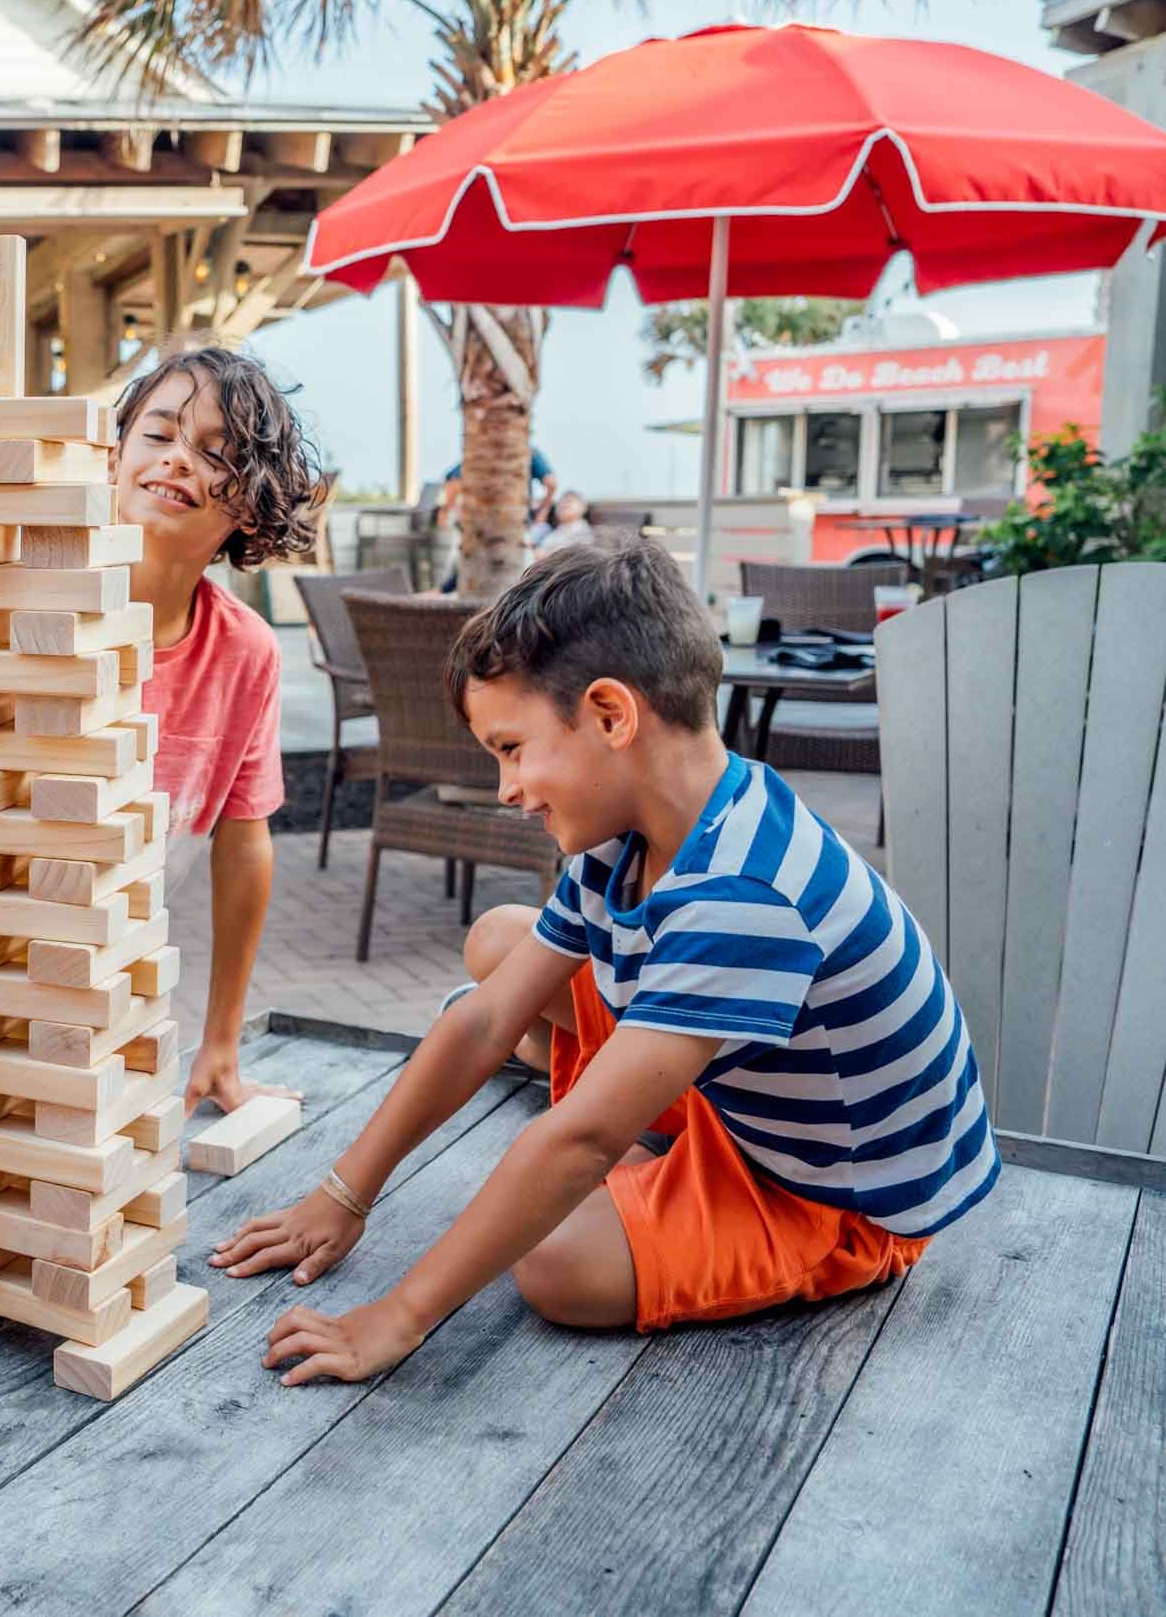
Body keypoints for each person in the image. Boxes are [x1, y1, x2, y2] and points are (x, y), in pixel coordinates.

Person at [211, 539, 997, 1382]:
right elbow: (481, 1018)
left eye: (512, 748)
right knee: (502, 950)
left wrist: (398, 1316)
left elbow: (581, 1140)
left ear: (612, 715)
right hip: (742, 1096)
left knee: (554, 1261)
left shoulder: (745, 892)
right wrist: (343, 1195)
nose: (507, 788)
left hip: (827, 1192)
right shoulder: (636, 829)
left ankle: (646, 1138)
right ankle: (646, 1127)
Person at [0, 343, 332, 1180]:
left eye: (217, 451)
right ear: (113, 455)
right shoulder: (32, 590)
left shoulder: (246, 654)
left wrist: (221, 1037)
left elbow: (245, 842)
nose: (178, 458)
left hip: (104, 945)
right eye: (158, 432)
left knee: (85, 1172)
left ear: (252, 511)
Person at [436, 446, 558, 591]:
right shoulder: (527, 452)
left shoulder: (482, 452)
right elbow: (551, 483)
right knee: (520, 570)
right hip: (515, 524)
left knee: (466, 569)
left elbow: (454, 482)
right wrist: (543, 510)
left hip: (478, 525)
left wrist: (446, 510)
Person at [532, 490, 594, 558]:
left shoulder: (584, 532)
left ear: (583, 507)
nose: (563, 504)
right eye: (561, 502)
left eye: (569, 501)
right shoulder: (552, 532)